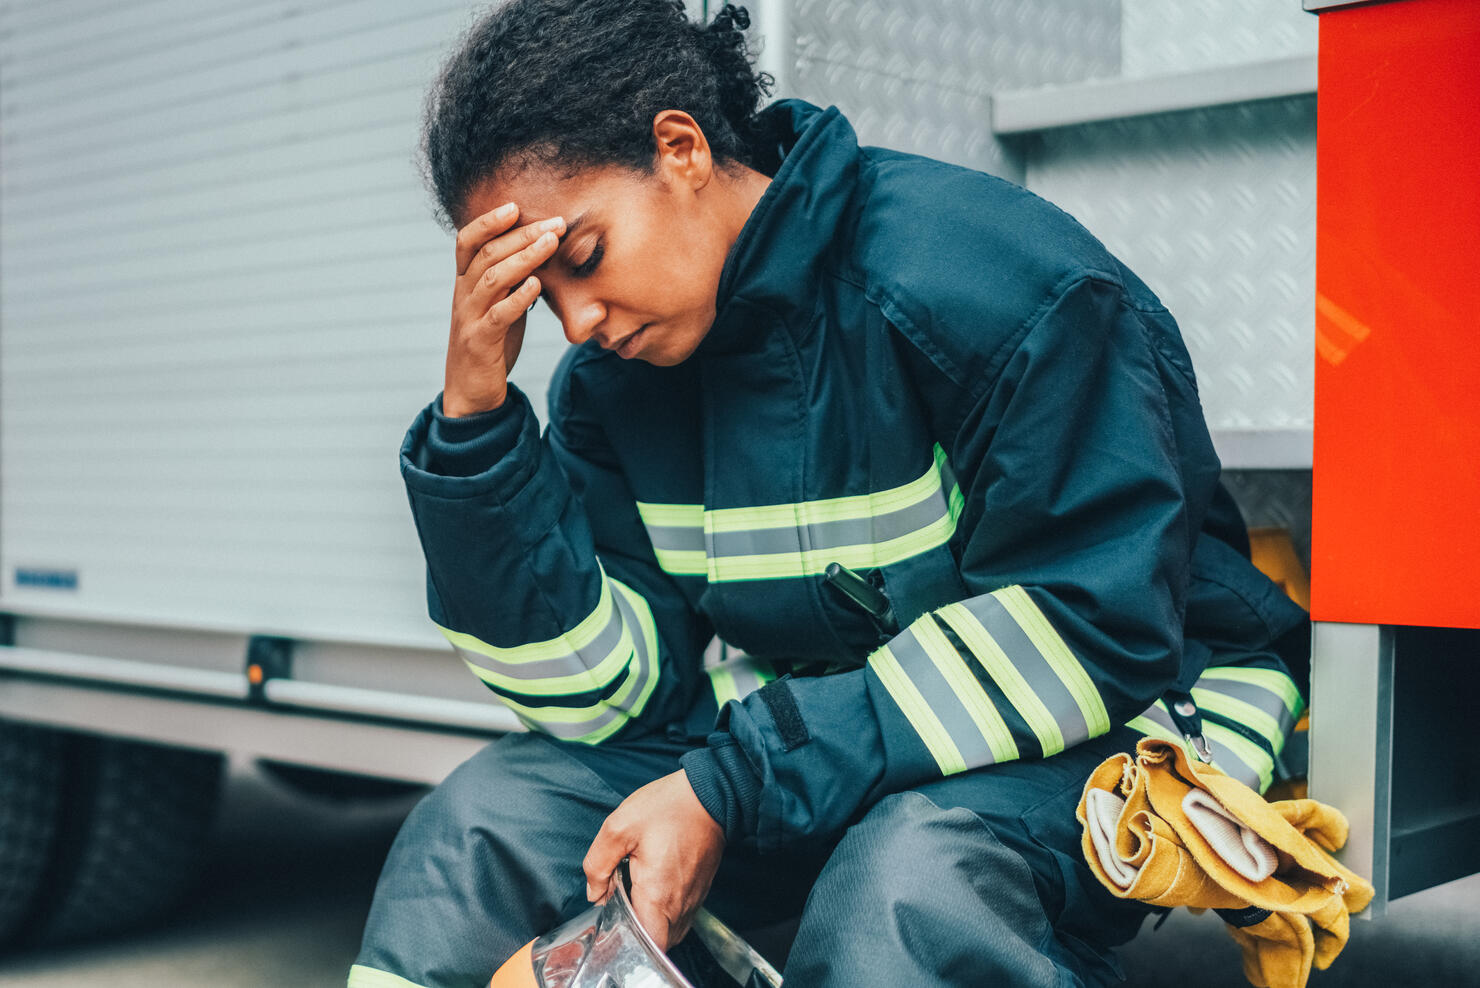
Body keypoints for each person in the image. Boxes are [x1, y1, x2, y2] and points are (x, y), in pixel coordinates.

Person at [350, 2, 1310, 986]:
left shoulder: (989, 281)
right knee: (481, 822)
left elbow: (1088, 630)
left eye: (584, 256)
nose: (578, 320)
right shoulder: (611, 389)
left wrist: (733, 783)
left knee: (908, 885)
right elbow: (606, 701)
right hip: (827, 749)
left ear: (680, 149)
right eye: (540, 295)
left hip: (1114, 719)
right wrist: (474, 428)